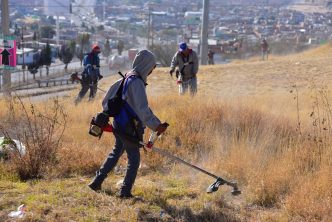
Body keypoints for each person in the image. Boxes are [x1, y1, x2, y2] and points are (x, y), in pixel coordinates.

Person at [88, 50, 168, 198]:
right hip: (129, 126)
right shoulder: (136, 82)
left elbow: (107, 100)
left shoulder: (127, 76)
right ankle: (125, 192)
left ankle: (96, 182)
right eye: (151, 67)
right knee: (134, 159)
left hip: (119, 122)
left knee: (116, 153)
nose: (151, 71)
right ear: (145, 65)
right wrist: (156, 126)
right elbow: (142, 109)